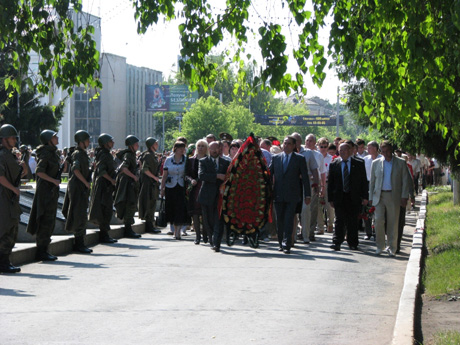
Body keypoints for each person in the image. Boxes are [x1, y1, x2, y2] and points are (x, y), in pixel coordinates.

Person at [269, 136, 311, 254]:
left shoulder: (299, 159)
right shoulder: (276, 158)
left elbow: (305, 178)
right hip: (278, 194)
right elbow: (269, 174)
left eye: (288, 144)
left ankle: (287, 243)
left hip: (292, 195)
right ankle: (281, 242)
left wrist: (307, 195)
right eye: (284, 143)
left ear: (294, 146)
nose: (286, 145)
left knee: (288, 219)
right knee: (279, 220)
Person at [369, 141, 411, 256]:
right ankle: (380, 246)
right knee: (378, 221)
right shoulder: (376, 163)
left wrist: (404, 196)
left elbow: (405, 181)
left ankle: (392, 248)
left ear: (391, 150)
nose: (386, 153)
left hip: (394, 195)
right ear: (380, 152)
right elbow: (372, 182)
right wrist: (370, 197)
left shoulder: (400, 163)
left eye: (387, 150)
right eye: (383, 151)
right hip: (379, 196)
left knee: (393, 222)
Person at [26, 130, 62, 261]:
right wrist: (53, 181)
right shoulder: (46, 154)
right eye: (54, 137)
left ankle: (45, 249)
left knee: (50, 219)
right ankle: (41, 251)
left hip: (51, 191)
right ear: (48, 140)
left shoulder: (53, 153)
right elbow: (39, 172)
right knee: (45, 219)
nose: (57, 138)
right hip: (46, 191)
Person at [328, 143, 368, 251]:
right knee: (339, 220)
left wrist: (365, 196)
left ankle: (353, 242)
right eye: (340, 150)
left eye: (345, 150)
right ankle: (337, 242)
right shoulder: (334, 164)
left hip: (353, 196)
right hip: (339, 197)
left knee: (353, 220)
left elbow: (363, 181)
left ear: (350, 151)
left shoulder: (359, 163)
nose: (342, 152)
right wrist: (330, 198)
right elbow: (330, 183)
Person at [0, 124, 26, 273]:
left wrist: (23, 167)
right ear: (4, 139)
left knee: (12, 228)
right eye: (12, 138)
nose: (15, 141)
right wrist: (13, 189)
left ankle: (5, 260)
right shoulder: (2, 155)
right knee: (5, 229)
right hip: (4, 196)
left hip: (10, 197)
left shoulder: (10, 155)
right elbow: (1, 177)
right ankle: (3, 262)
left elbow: (15, 175)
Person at [62, 130, 93, 253]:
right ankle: (79, 243)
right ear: (81, 141)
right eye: (87, 140)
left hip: (81, 187)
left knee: (81, 213)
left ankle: (80, 242)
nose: (89, 142)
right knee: (79, 214)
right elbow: (75, 170)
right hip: (78, 187)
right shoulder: (78, 154)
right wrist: (85, 183)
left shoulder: (82, 153)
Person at [198, 141, 230, 252]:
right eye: (212, 149)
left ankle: (217, 243)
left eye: (216, 149)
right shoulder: (203, 161)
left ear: (220, 149)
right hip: (206, 196)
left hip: (220, 197)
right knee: (208, 221)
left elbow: (230, 177)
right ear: (209, 150)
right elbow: (201, 175)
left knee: (219, 220)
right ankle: (212, 240)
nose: (214, 151)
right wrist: (217, 176)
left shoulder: (225, 162)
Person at [88, 133, 118, 244]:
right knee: (106, 209)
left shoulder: (104, 154)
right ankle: (104, 234)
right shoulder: (105, 155)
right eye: (111, 141)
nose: (113, 143)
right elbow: (101, 170)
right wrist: (111, 180)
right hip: (104, 186)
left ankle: (105, 233)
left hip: (106, 185)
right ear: (105, 143)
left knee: (107, 209)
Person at [114, 135, 142, 239]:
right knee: (130, 204)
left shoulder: (131, 155)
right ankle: (128, 229)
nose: (137, 146)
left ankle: (128, 228)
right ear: (131, 145)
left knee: (131, 204)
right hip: (128, 184)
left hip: (129, 184)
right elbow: (123, 168)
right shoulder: (129, 155)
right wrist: (134, 176)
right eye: (136, 144)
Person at [160, 141, 189, 240]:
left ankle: (178, 232)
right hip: (170, 187)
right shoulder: (168, 160)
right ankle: (174, 230)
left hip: (181, 187)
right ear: (175, 149)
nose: (182, 150)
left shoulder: (186, 160)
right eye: (180, 148)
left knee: (180, 209)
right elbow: (164, 175)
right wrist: (162, 188)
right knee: (172, 208)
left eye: (183, 148)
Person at [185, 139, 208, 244]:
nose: (201, 148)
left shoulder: (209, 160)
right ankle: (198, 236)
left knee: (205, 214)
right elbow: (186, 175)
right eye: (199, 146)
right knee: (195, 213)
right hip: (194, 189)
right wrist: (191, 180)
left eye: (203, 146)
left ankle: (205, 236)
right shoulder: (190, 160)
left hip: (206, 188)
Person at [138, 137, 162, 234]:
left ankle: (150, 224)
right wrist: (154, 178)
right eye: (156, 143)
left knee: (152, 202)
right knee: (149, 202)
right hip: (148, 183)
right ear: (151, 145)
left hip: (151, 183)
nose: (157, 145)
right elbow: (145, 169)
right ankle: (149, 225)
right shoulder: (148, 155)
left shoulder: (152, 155)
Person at [362, 141, 382, 240]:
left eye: (369, 148)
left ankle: (377, 231)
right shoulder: (365, 159)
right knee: (367, 209)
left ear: (375, 148)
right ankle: (368, 232)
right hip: (367, 184)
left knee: (377, 210)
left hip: (378, 185)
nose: (367, 149)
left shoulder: (381, 159)